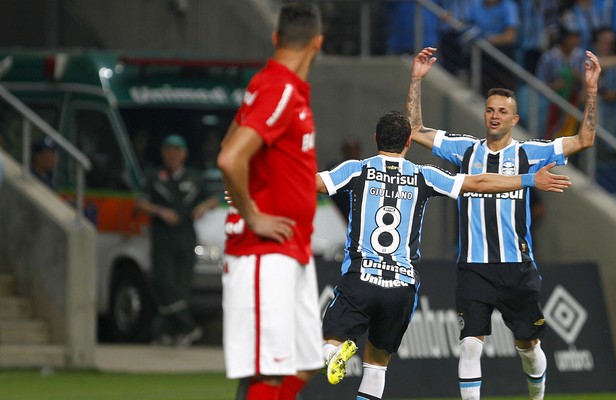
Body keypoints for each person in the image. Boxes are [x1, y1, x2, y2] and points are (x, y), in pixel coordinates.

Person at [317, 110, 571, 399]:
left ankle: (332, 353)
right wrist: (529, 180)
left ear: (376, 139)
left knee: (330, 339)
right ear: (409, 142)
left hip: (361, 278)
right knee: (376, 366)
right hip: (401, 286)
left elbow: (309, 185)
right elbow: (479, 183)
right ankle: (339, 356)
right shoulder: (424, 175)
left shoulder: (356, 169)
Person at [407, 46, 601, 400]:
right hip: (473, 268)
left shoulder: (529, 153)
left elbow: (585, 139)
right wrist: (416, 80)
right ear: (484, 115)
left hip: (517, 269)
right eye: (490, 110)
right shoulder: (463, 149)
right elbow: (415, 130)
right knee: (469, 346)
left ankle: (537, 395)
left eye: (503, 112)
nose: (495, 116)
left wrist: (591, 91)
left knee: (528, 347)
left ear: (514, 119)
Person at [215, 3, 324, 400]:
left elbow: (231, 145)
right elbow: (230, 157)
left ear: (276, 37)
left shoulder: (273, 87)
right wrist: (253, 214)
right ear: (318, 43)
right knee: (269, 370)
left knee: (306, 362)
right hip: (265, 248)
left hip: (292, 246)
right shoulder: (281, 88)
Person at [135, 134, 218, 347]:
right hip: (163, 238)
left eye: (177, 150)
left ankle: (164, 332)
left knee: (182, 286)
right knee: (165, 283)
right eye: (169, 150)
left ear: (184, 154)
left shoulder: (193, 177)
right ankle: (189, 327)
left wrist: (202, 207)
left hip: (186, 237)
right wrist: (161, 212)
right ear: (163, 153)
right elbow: (140, 203)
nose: (173, 154)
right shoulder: (155, 176)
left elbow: (213, 198)